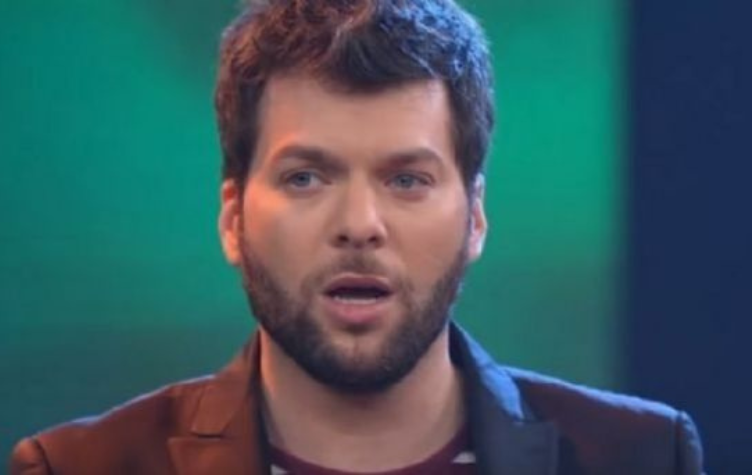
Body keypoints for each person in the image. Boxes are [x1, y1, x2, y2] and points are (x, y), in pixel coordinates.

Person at [9, 0, 704, 474]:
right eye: (306, 178)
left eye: (406, 180)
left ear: (476, 217)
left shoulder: (641, 456)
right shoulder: (78, 467)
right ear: (232, 217)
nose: (359, 225)